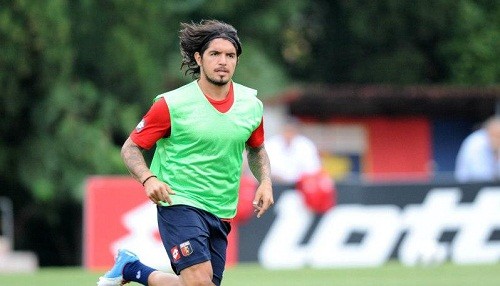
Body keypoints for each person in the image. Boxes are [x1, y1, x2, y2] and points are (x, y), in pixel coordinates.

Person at [97, 19, 274, 286]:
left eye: (230, 55)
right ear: (198, 58)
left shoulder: (251, 105)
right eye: (215, 54)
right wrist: (149, 179)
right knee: (199, 283)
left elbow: (257, 148)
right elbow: (131, 147)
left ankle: (132, 269)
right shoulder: (172, 104)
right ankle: (131, 269)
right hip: (179, 201)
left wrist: (266, 182)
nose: (223, 61)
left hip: (221, 208)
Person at [265, 117, 322, 185]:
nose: (289, 134)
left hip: (300, 185)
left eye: (291, 130)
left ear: (297, 131)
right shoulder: (271, 144)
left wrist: (300, 178)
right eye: (287, 130)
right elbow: (263, 168)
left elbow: (314, 168)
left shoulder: (306, 145)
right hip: (275, 184)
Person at [455, 116, 500, 182]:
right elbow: (481, 176)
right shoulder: (476, 143)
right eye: (497, 135)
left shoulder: (494, 146)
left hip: (484, 187)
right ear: (489, 131)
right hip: (467, 187)